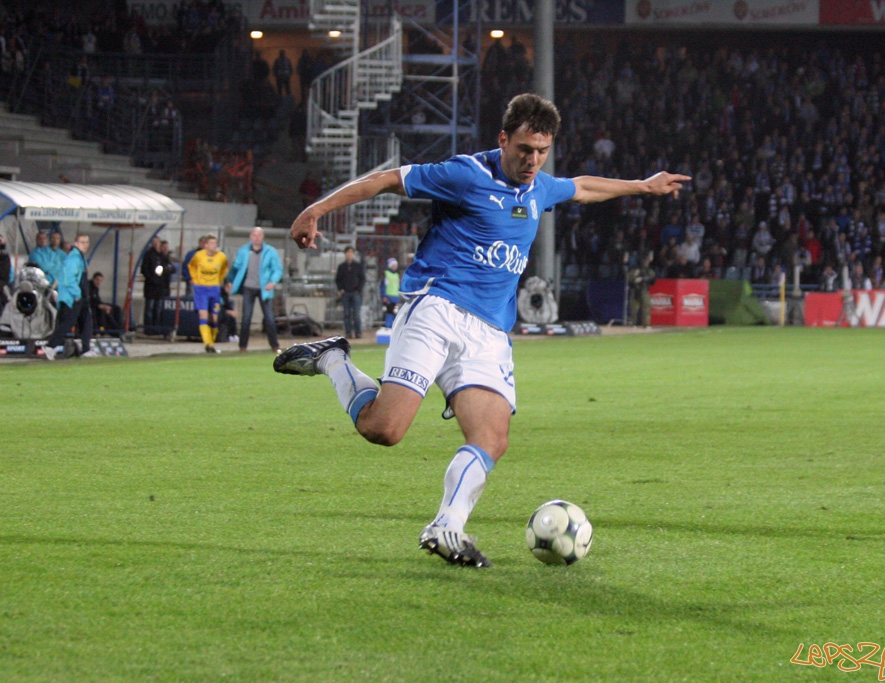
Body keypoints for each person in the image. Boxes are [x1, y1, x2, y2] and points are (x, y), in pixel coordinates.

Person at [274, 93, 687, 567]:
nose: (532, 161)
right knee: (384, 430)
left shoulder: (539, 189)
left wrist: (643, 185)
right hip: (436, 309)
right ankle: (333, 358)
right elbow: (386, 180)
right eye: (524, 150)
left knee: (492, 438)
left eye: (541, 151)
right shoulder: (466, 174)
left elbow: (582, 187)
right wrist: (316, 210)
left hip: (489, 333)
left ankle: (447, 526)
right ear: (503, 139)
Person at [226, 227, 282, 353]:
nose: (257, 237)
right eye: (254, 235)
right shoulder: (244, 251)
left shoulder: (270, 251)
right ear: (250, 237)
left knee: (269, 318)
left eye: (259, 235)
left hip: (264, 288)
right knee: (246, 318)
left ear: (263, 237)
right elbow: (236, 267)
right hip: (248, 287)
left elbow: (277, 269)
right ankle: (242, 346)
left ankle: (275, 345)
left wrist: (273, 282)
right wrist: (230, 281)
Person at [42, 234, 98, 360]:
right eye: (82, 242)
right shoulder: (73, 259)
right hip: (72, 298)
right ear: (76, 243)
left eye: (87, 242)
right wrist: (77, 295)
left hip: (80, 296)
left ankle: (86, 349)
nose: (85, 245)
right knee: (68, 323)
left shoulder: (79, 258)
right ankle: (50, 346)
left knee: (86, 322)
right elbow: (69, 280)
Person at [188, 234, 228, 353]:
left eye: (215, 243)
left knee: (214, 318)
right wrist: (195, 280)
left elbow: (224, 269)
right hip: (201, 289)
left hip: (214, 289)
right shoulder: (198, 256)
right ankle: (208, 344)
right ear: (205, 245)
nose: (213, 246)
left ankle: (211, 342)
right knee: (203, 315)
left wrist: (219, 281)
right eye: (211, 243)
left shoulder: (221, 257)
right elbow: (191, 266)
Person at [334, 246, 364, 339]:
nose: (349, 254)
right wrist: (341, 289)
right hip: (346, 293)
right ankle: (348, 333)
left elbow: (362, 278)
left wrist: (359, 289)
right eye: (348, 252)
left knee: (356, 314)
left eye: (351, 252)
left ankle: (358, 333)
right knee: (346, 314)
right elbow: (338, 279)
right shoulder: (342, 267)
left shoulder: (358, 266)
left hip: (355, 292)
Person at [141, 237, 167, 335]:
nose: (156, 244)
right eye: (154, 242)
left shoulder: (162, 256)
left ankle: (156, 328)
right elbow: (144, 270)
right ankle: (148, 328)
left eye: (157, 242)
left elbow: (168, 267)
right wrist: (152, 278)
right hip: (150, 287)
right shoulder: (148, 255)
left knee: (158, 308)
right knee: (150, 308)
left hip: (159, 288)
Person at [381, 257, 401, 328]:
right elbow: (383, 286)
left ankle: (394, 326)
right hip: (389, 296)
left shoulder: (397, 275)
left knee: (396, 312)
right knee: (389, 312)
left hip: (396, 296)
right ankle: (388, 326)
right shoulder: (386, 274)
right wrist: (384, 296)